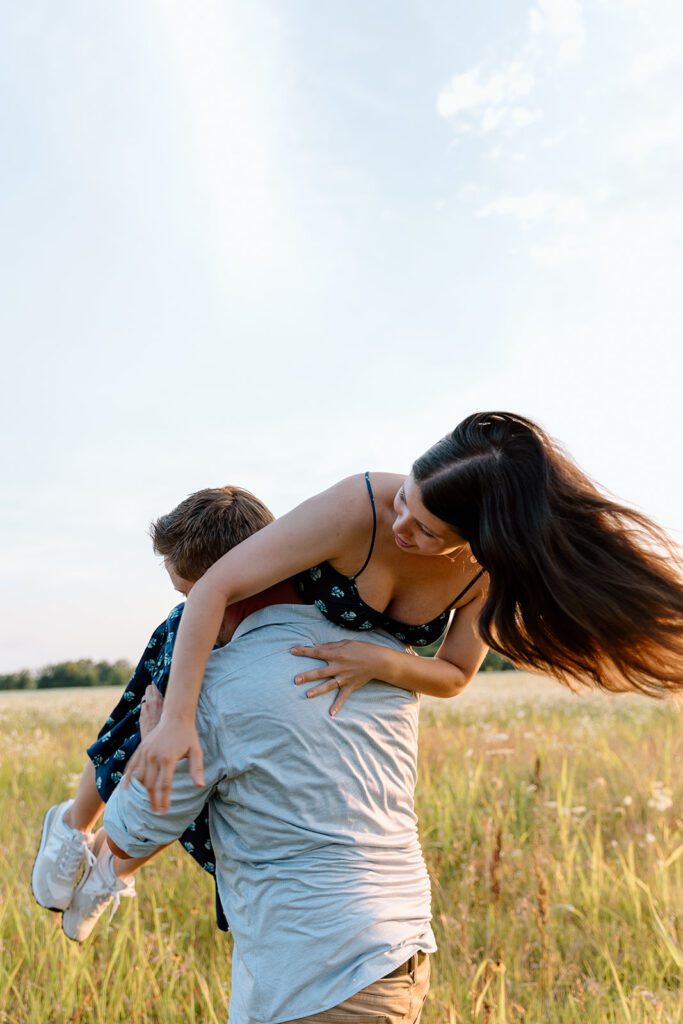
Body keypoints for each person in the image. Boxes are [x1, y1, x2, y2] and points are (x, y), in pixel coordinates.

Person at [126, 411, 683, 810]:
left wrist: (381, 662)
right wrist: (176, 719)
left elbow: (457, 674)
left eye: (426, 531)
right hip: (229, 632)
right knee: (141, 744)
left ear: (479, 540)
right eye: (404, 501)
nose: (400, 527)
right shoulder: (356, 504)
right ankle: (82, 839)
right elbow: (209, 589)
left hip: (333, 715)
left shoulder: (484, 576)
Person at [103, 594, 435, 1024]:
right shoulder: (385, 649)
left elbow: (128, 837)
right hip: (401, 954)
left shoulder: (215, 687)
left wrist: (155, 743)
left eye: (192, 596)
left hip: (312, 978)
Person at [32, 485, 276, 938]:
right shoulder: (183, 621)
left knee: (196, 778)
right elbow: (132, 716)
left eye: (194, 593)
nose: (190, 605)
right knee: (155, 713)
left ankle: (111, 865)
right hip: (177, 692)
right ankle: (74, 826)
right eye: (184, 593)